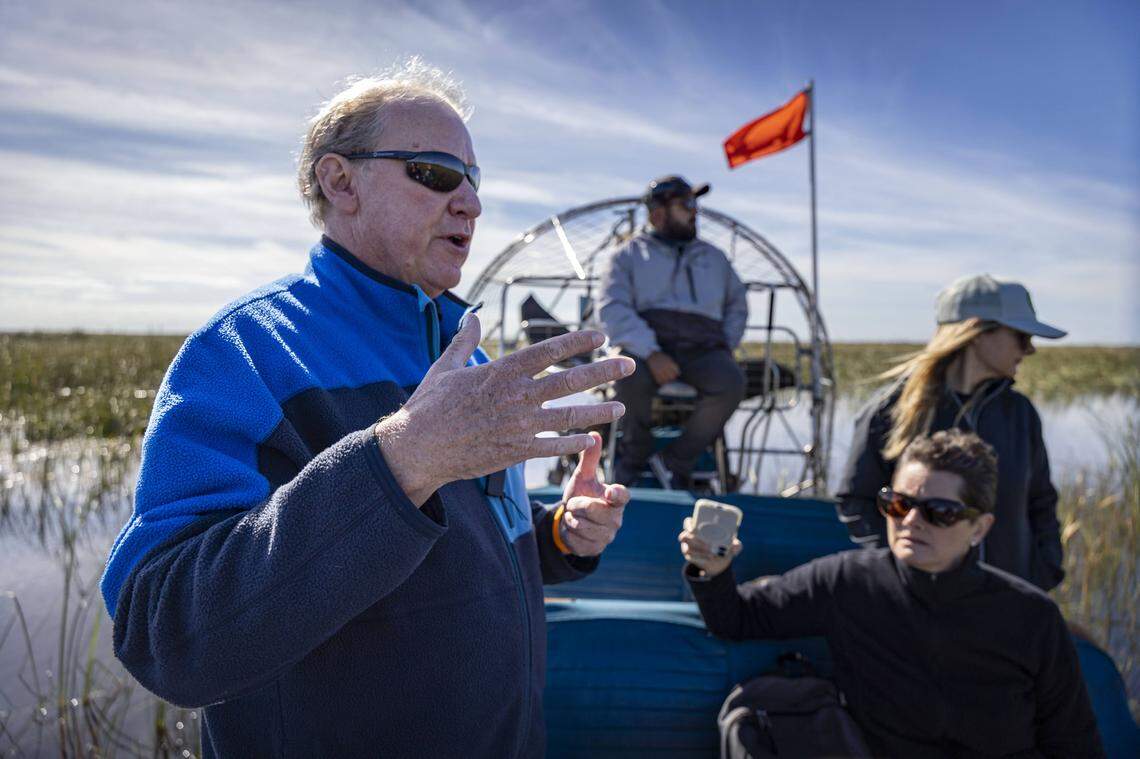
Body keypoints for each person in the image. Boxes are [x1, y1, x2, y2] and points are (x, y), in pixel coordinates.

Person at [99, 60, 636, 758]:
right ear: (340, 181)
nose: (470, 203)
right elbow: (165, 636)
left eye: (475, 182)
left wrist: (560, 536)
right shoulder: (245, 356)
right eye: (438, 172)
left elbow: (471, 545)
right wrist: (404, 456)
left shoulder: (464, 356)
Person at [680, 430, 1104, 757]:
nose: (911, 522)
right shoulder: (847, 582)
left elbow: (1073, 745)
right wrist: (712, 569)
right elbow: (738, 619)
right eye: (898, 504)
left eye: (940, 513)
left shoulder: (1031, 617)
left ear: (980, 527)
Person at [835, 274, 1066, 590]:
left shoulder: (1020, 414)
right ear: (976, 332)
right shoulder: (890, 411)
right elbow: (857, 502)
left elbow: (1041, 502)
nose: (1029, 350)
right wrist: (902, 574)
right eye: (1021, 336)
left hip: (1007, 604)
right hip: (924, 609)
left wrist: (1044, 572)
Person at [598, 175, 749, 488]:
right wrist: (651, 353)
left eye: (694, 205)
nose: (694, 212)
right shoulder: (627, 256)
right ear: (657, 214)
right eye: (685, 205)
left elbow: (737, 305)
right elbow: (613, 309)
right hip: (647, 349)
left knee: (731, 382)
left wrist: (724, 345)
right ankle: (635, 454)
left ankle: (675, 461)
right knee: (626, 374)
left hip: (705, 350)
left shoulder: (715, 258)